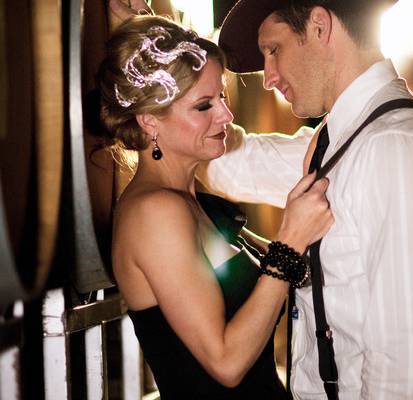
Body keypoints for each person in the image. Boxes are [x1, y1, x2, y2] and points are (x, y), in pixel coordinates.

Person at [197, 1, 413, 399]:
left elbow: (400, 366)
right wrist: (155, 62)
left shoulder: (395, 149)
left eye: (274, 50)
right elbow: (231, 164)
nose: (268, 78)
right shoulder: (343, 138)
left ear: (319, 26)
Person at [97, 14, 333, 399]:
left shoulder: (193, 201)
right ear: (149, 120)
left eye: (221, 97)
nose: (226, 114)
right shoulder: (154, 214)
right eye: (204, 105)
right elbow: (226, 363)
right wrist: (290, 242)